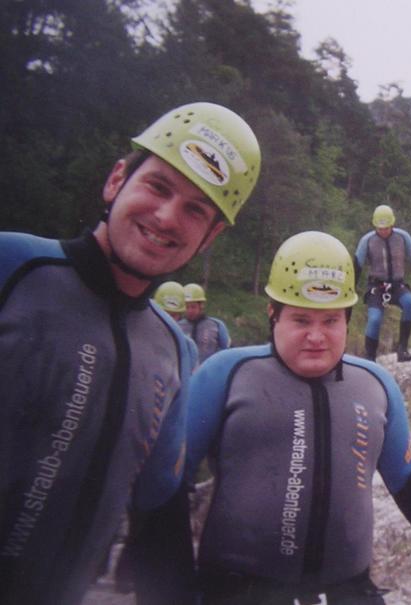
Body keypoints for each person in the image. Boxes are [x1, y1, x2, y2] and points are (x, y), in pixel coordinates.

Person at [0, 101, 261, 605]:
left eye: (195, 210)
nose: (166, 217)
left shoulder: (173, 351)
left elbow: (160, 517)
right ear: (117, 179)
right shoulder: (12, 269)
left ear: (211, 236)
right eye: (158, 187)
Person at [180, 231, 411, 605]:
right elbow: (167, 488)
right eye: (301, 320)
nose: (316, 336)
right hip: (239, 593)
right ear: (273, 313)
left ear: (347, 319)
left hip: (348, 592)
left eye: (331, 321)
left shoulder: (375, 384)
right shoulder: (225, 375)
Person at [354, 205, 411, 362]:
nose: (383, 231)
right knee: (375, 319)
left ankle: (402, 349)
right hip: (376, 287)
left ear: (392, 224)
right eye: (380, 228)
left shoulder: (403, 237)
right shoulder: (367, 240)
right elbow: (356, 266)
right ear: (375, 225)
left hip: (397, 286)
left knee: (409, 302)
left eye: (386, 228)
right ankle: (370, 358)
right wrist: (350, 291)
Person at [179, 282, 231, 363]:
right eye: (186, 307)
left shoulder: (217, 325)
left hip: (210, 368)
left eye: (193, 307)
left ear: (201, 306)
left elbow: (226, 352)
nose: (189, 311)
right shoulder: (178, 327)